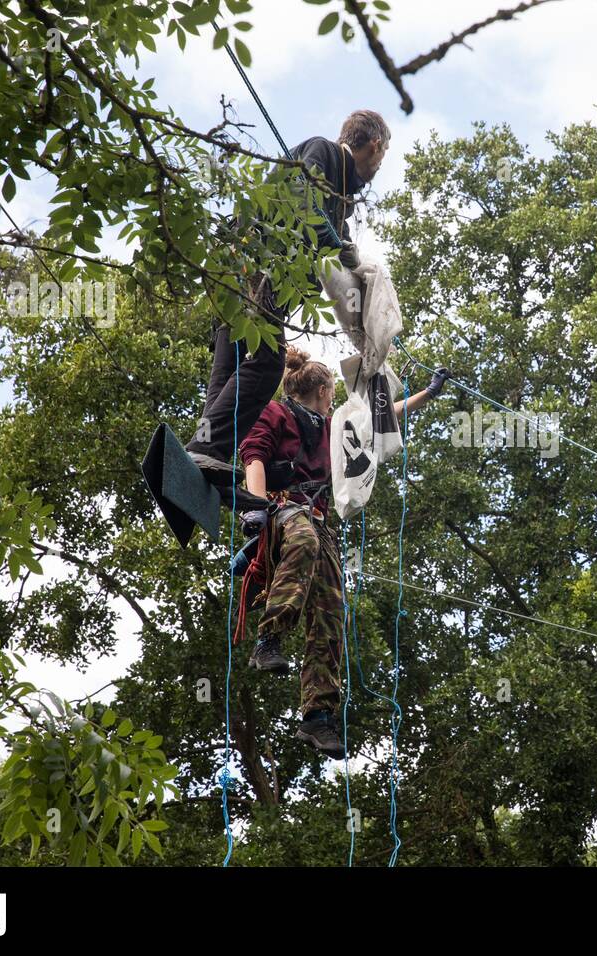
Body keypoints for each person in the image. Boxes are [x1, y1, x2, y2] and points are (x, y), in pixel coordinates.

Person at [237, 345, 447, 758]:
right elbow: (254, 455)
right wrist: (256, 508)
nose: (333, 398)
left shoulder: (333, 427)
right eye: (331, 392)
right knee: (305, 540)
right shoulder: (278, 414)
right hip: (281, 511)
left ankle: (317, 716)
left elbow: (378, 423)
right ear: (321, 389)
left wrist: (429, 394)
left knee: (332, 608)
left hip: (316, 521)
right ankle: (269, 638)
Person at [185, 110, 392, 484]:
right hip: (250, 264)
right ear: (374, 145)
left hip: (237, 271)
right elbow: (299, 194)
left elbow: (336, 267)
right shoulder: (325, 152)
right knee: (266, 364)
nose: (378, 168)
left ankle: (201, 451)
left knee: (230, 366)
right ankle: (206, 451)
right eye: (382, 157)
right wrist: (334, 242)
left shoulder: (338, 205)